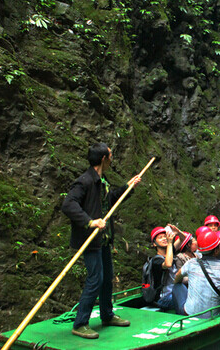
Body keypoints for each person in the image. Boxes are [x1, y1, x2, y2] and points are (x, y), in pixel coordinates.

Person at [61, 143, 140, 339]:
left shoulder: (101, 180)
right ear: (104, 158)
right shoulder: (85, 181)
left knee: (107, 278)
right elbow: (68, 204)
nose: (112, 159)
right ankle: (80, 323)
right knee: (95, 279)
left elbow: (109, 200)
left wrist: (127, 188)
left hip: (103, 239)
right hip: (90, 239)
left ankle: (107, 315)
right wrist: (90, 222)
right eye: (111, 155)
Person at [173, 230, 220, 318]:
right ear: (217, 250)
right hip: (211, 316)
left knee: (177, 286)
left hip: (189, 314)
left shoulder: (191, 263)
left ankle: (178, 316)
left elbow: (176, 278)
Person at [149, 226, 178, 310]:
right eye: (160, 237)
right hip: (163, 298)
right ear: (154, 244)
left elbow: (183, 239)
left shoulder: (170, 253)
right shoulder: (156, 260)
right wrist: (169, 243)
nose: (164, 238)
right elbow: (168, 264)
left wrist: (177, 233)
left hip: (174, 292)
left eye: (165, 236)